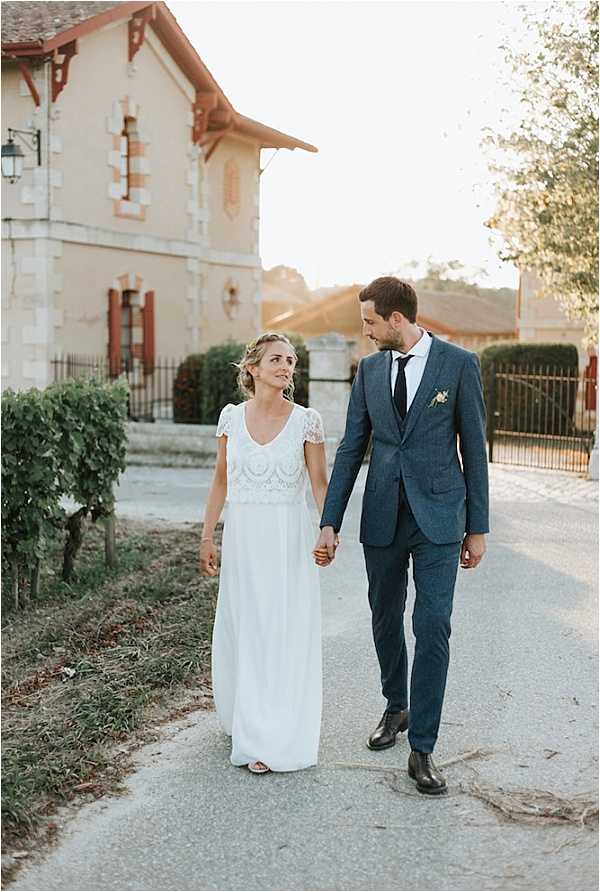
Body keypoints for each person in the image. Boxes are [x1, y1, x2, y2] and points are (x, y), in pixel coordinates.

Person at [315, 277, 489, 795]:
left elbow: (474, 450)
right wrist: (330, 519)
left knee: (433, 624)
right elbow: (351, 449)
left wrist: (477, 527)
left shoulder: (458, 365)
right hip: (383, 515)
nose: (363, 331)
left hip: (440, 516)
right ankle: (396, 706)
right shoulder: (368, 371)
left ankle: (424, 749)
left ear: (396, 319)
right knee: (385, 616)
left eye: (369, 321)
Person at [200, 333, 331, 774]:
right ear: (252, 368)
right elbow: (221, 480)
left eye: (291, 361)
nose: (286, 366)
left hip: (288, 539)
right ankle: (248, 718)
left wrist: (327, 529)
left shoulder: (307, 422)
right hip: (243, 538)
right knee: (248, 627)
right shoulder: (230, 419)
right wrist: (206, 536)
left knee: (280, 630)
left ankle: (271, 736)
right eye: (276, 359)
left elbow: (319, 484)